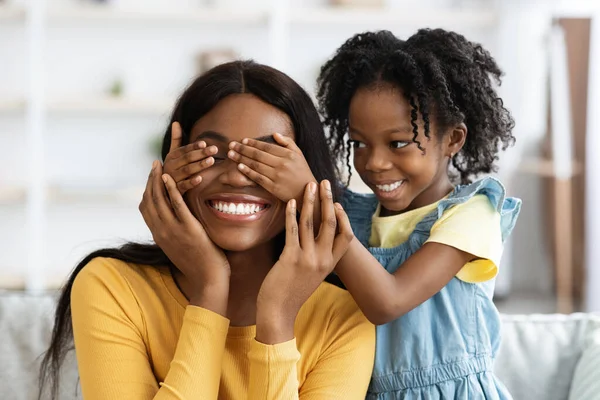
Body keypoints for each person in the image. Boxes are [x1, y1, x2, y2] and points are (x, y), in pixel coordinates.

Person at [172, 29, 519, 399]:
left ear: (453, 139)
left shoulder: (472, 212)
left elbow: (388, 301)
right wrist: (186, 175)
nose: (375, 162)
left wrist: (309, 195)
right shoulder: (351, 211)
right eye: (359, 144)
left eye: (398, 143)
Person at [38, 60, 375, 400]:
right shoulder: (112, 286)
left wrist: (276, 318)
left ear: (308, 179)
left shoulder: (345, 317)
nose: (236, 176)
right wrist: (211, 287)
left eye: (265, 159)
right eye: (213, 155)